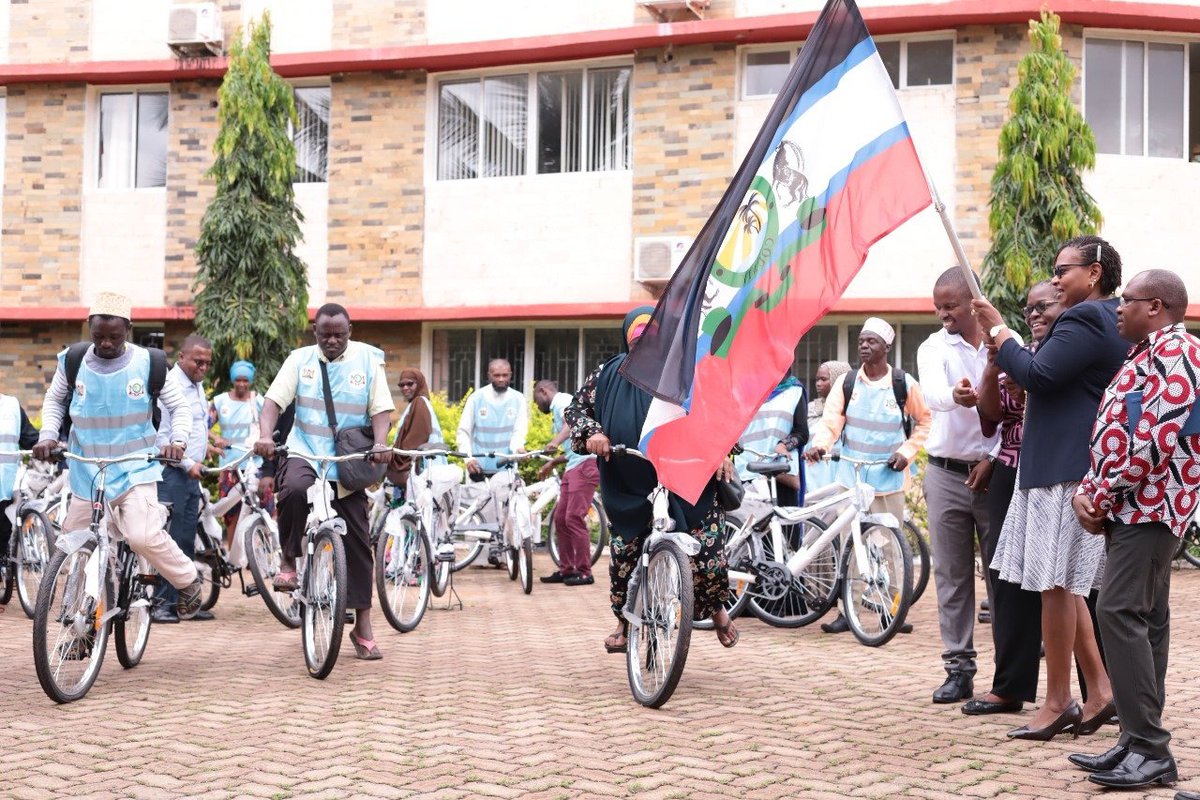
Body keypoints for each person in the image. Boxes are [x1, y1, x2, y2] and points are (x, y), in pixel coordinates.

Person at [972, 235, 1127, 740]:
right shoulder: (1106, 320)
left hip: (1063, 467)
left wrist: (998, 329)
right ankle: (1100, 689)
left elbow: (1037, 374)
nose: (1056, 279)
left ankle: (1059, 699)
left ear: (1096, 272)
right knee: (1063, 584)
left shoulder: (1085, 318)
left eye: (1065, 270)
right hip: (1060, 463)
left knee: (1055, 586)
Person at [1068, 270, 1200, 789]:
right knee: (1145, 617)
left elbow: (1154, 442)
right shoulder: (1145, 354)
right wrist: (1088, 488)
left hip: (1153, 508)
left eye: (1127, 301)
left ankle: (1149, 748)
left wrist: (1097, 496)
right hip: (1130, 507)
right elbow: (1116, 434)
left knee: (1118, 610)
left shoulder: (1178, 353)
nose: (1118, 308)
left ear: (1158, 306)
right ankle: (1135, 740)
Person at [565, 307, 739, 653]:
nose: (644, 343)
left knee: (707, 553)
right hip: (629, 476)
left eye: (650, 336)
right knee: (625, 556)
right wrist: (593, 432)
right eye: (637, 338)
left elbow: (718, 410)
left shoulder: (686, 371)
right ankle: (623, 622)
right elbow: (577, 410)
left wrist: (723, 450)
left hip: (686, 473)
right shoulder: (609, 374)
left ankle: (717, 610)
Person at [32, 292, 203, 620]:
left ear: (128, 328)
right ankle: (81, 622)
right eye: (98, 337)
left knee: (141, 536)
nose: (106, 344)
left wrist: (177, 442)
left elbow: (179, 407)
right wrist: (48, 436)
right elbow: (54, 401)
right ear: (89, 328)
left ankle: (187, 578)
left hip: (135, 468)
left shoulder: (149, 363)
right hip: (87, 470)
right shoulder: (72, 361)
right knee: (73, 544)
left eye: (114, 337)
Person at [254, 303, 393, 660]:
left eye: (339, 334)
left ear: (350, 330)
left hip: (347, 463)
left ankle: (362, 626)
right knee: (294, 490)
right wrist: (266, 434)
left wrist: (380, 443)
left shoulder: (367, 360)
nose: (332, 341)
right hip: (306, 453)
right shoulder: (299, 360)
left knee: (359, 541)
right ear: (314, 331)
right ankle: (288, 558)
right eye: (324, 334)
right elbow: (273, 403)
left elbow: (380, 409)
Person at [961, 281, 1059, 715]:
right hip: (1011, 467)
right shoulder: (1014, 352)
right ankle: (1010, 686)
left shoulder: (1069, 351)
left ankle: (1098, 693)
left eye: (1044, 306)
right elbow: (992, 419)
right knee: (1007, 580)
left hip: (1058, 471)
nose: (1034, 314)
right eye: (1029, 308)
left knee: (1070, 583)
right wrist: (991, 367)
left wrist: (1031, 393)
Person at [806, 318, 931, 634]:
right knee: (850, 547)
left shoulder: (903, 384)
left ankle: (894, 611)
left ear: (886, 347)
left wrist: (906, 453)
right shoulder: (847, 383)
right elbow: (831, 422)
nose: (864, 345)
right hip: (852, 480)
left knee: (891, 549)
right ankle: (847, 611)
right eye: (861, 340)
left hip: (888, 481)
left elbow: (926, 422)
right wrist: (820, 445)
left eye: (871, 341)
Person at [916, 268, 1000, 704]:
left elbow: (1020, 408)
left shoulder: (1004, 340)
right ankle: (959, 668)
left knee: (1002, 576)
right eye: (938, 306)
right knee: (951, 576)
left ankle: (1008, 673)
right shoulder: (932, 347)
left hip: (992, 472)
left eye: (950, 305)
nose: (942, 313)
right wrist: (957, 395)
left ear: (973, 302)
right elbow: (931, 394)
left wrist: (994, 456)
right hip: (945, 472)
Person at [154, 335, 216, 623]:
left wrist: (208, 446)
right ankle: (161, 604)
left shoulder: (197, 385)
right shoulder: (173, 385)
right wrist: (189, 463)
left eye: (207, 363)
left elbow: (196, 427)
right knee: (171, 541)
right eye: (197, 361)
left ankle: (184, 602)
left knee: (186, 538)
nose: (202, 367)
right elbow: (162, 437)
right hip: (172, 473)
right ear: (182, 357)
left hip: (191, 475)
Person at [533, 379, 600, 586]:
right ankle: (567, 569)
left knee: (573, 517)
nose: (536, 405)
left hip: (585, 466)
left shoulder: (562, 401)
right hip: (574, 466)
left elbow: (571, 424)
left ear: (543, 391)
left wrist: (554, 442)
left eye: (536, 400)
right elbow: (574, 447)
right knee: (561, 518)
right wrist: (553, 462)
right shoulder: (560, 406)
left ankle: (584, 572)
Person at [209, 360, 270, 548]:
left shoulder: (258, 400)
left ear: (250, 381)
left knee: (261, 508)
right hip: (230, 465)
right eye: (238, 380)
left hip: (255, 464)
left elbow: (271, 423)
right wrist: (215, 438)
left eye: (245, 380)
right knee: (231, 512)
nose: (242, 384)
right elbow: (201, 426)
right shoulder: (220, 401)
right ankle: (233, 554)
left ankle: (258, 556)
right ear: (233, 380)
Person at [735, 373, 808, 507]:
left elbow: (802, 433)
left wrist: (784, 445)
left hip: (781, 473)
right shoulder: (741, 388)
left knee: (783, 525)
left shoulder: (794, 390)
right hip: (747, 472)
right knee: (747, 524)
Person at [0, 393, 40, 615]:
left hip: (5, 486)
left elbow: (29, 439)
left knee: (2, 532)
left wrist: (48, 446)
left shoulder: (12, 406)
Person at [457, 359, 528, 477]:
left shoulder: (519, 399)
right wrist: (468, 459)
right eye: (497, 375)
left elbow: (519, 432)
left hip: (507, 467)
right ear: (489, 376)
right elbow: (463, 432)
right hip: (478, 467)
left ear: (510, 375)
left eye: (505, 375)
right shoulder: (475, 398)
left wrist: (518, 449)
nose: (501, 379)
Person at [387, 368, 444, 496]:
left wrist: (393, 457)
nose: (405, 388)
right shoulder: (416, 404)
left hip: (420, 472)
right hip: (424, 471)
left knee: (410, 514)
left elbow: (414, 440)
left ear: (419, 384)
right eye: (401, 385)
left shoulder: (420, 402)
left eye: (410, 384)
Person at [804, 360, 851, 491]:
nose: (818, 384)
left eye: (824, 379)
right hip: (811, 475)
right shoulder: (810, 410)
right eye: (817, 379)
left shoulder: (849, 411)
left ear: (838, 380)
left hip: (838, 477)